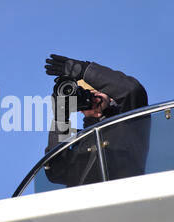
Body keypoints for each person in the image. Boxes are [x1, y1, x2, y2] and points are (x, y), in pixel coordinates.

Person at [44, 54, 150, 187]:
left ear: (110, 95)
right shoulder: (79, 142)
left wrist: (84, 70)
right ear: (79, 109)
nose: (92, 99)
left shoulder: (129, 122)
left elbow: (132, 90)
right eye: (85, 97)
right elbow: (55, 171)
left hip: (124, 197)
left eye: (95, 93)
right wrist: (60, 118)